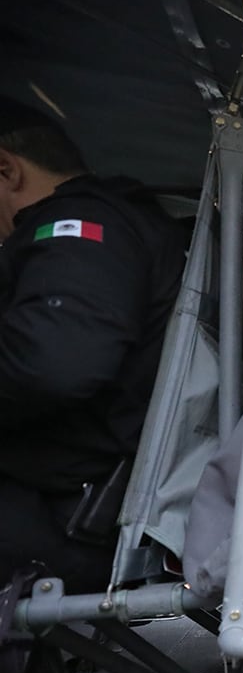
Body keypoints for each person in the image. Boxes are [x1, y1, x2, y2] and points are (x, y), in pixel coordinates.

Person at [0, 97, 185, 592]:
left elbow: (56, 363)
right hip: (84, 509)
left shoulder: (80, 225)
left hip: (67, 518)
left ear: (6, 169)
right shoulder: (122, 224)